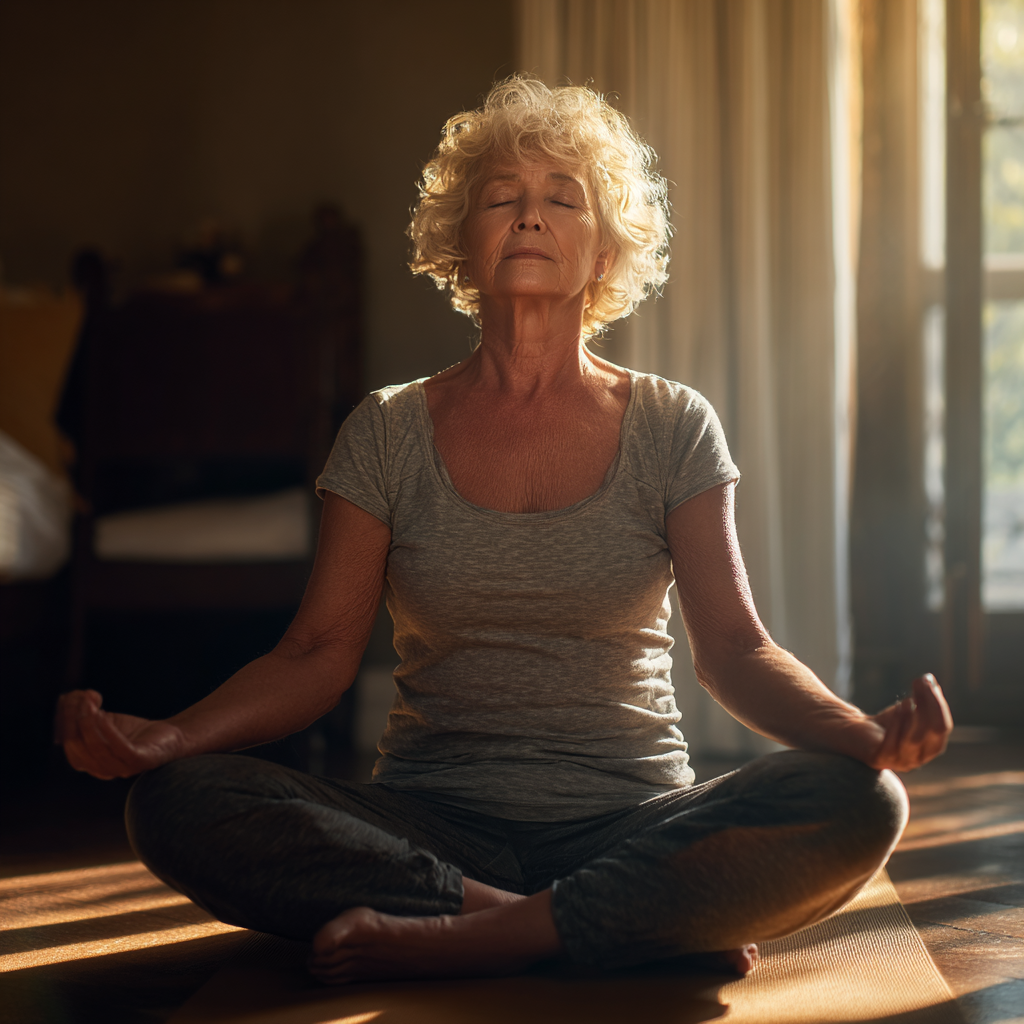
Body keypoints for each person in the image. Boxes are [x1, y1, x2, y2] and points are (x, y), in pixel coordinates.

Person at [56, 77, 952, 985]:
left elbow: (735, 651)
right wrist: (172, 738)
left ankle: (472, 935)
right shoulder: (386, 428)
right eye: (502, 199)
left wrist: (858, 735)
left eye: (563, 199)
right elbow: (316, 652)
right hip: (432, 827)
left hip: (634, 818)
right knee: (176, 803)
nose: (530, 217)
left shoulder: (673, 423)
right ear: (462, 244)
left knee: (860, 802)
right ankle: (590, 921)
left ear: (603, 254)